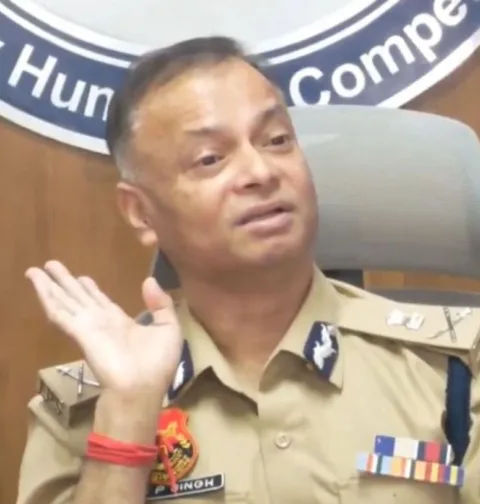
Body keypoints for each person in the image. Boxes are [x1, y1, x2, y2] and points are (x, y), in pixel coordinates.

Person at [16, 36, 480, 504]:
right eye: (210, 159)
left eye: (277, 140)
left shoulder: (458, 369)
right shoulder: (88, 407)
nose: (261, 171)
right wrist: (126, 418)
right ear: (141, 213)